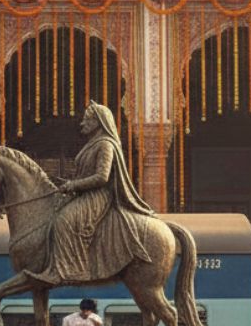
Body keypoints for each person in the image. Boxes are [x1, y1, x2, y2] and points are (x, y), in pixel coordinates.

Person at [27, 101, 155, 285]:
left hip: (98, 196)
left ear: (99, 122)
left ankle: (70, 268)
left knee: (64, 220)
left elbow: (102, 177)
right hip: (85, 193)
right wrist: (69, 184)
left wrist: (74, 185)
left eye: (87, 119)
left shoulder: (105, 145)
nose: (82, 123)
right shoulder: (92, 144)